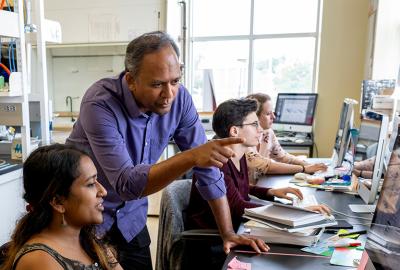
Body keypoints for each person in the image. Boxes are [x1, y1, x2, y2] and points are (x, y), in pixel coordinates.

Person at [66, 31, 267, 270]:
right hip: (87, 221)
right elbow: (127, 185)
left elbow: (209, 172)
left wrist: (228, 233)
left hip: (131, 220)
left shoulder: (179, 100)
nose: (169, 94)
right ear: (131, 80)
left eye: (175, 80)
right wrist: (191, 157)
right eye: (157, 84)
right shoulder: (99, 103)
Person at [186, 99, 331, 231]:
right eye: (255, 124)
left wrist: (270, 192)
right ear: (234, 131)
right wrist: (294, 212)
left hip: (237, 227)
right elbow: (237, 206)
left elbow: (238, 190)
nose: (260, 130)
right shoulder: (218, 162)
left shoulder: (239, 155)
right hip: (211, 241)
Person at [0, 144, 122, 270]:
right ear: (58, 202)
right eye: (91, 184)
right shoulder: (40, 260)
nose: (103, 191)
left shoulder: (90, 242)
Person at [245, 93, 327, 182]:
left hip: (261, 187)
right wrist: (304, 169)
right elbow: (267, 166)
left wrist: (309, 165)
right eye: (268, 113)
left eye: (273, 112)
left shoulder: (267, 132)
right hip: (247, 191)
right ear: (254, 117)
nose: (274, 116)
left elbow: (283, 157)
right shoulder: (245, 139)